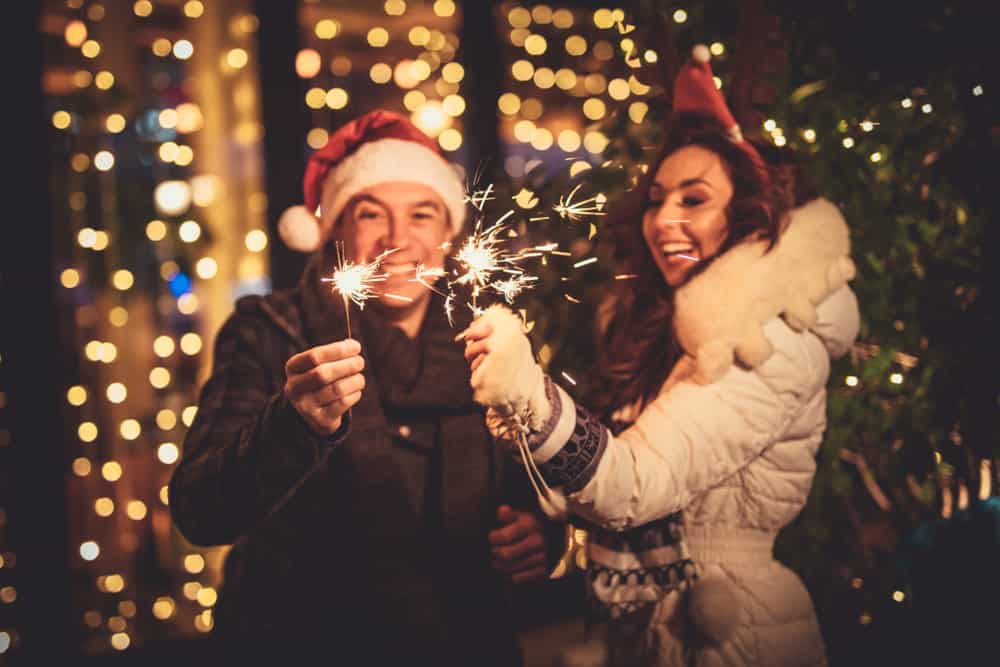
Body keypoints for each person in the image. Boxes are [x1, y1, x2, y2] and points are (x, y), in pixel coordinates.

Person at [461, 46, 860, 666]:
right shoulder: (660, 327)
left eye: (693, 200)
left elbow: (635, 485)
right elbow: (612, 477)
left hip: (733, 638)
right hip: (651, 632)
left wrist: (528, 392)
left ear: (748, 213)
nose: (664, 219)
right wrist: (554, 534)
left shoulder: (768, 338)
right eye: (655, 198)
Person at [168, 109, 565, 665]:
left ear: (448, 234)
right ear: (335, 230)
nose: (397, 239)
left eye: (422, 214)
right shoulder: (272, 332)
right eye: (371, 214)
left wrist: (541, 533)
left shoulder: (488, 336)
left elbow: (539, 476)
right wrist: (293, 424)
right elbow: (202, 509)